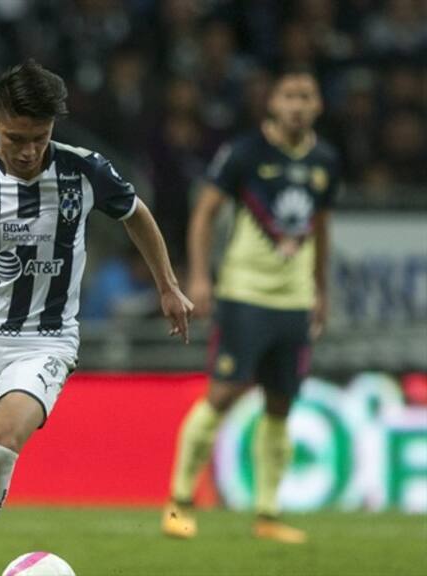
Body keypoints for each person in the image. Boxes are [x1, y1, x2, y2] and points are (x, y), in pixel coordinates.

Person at [0, 59, 194, 576]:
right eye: (16, 137)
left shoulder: (85, 168)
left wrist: (167, 285)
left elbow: (136, 214)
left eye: (40, 137)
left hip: (46, 341)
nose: (29, 151)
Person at [161, 66, 340, 544]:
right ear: (273, 103)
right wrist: (199, 276)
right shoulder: (244, 154)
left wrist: (321, 290)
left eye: (306, 95)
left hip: (294, 300)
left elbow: (320, 228)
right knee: (222, 392)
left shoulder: (325, 159)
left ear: (318, 104)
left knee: (281, 403)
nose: (298, 105)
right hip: (245, 294)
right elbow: (204, 214)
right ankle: (179, 502)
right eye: (289, 95)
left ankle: (268, 511)